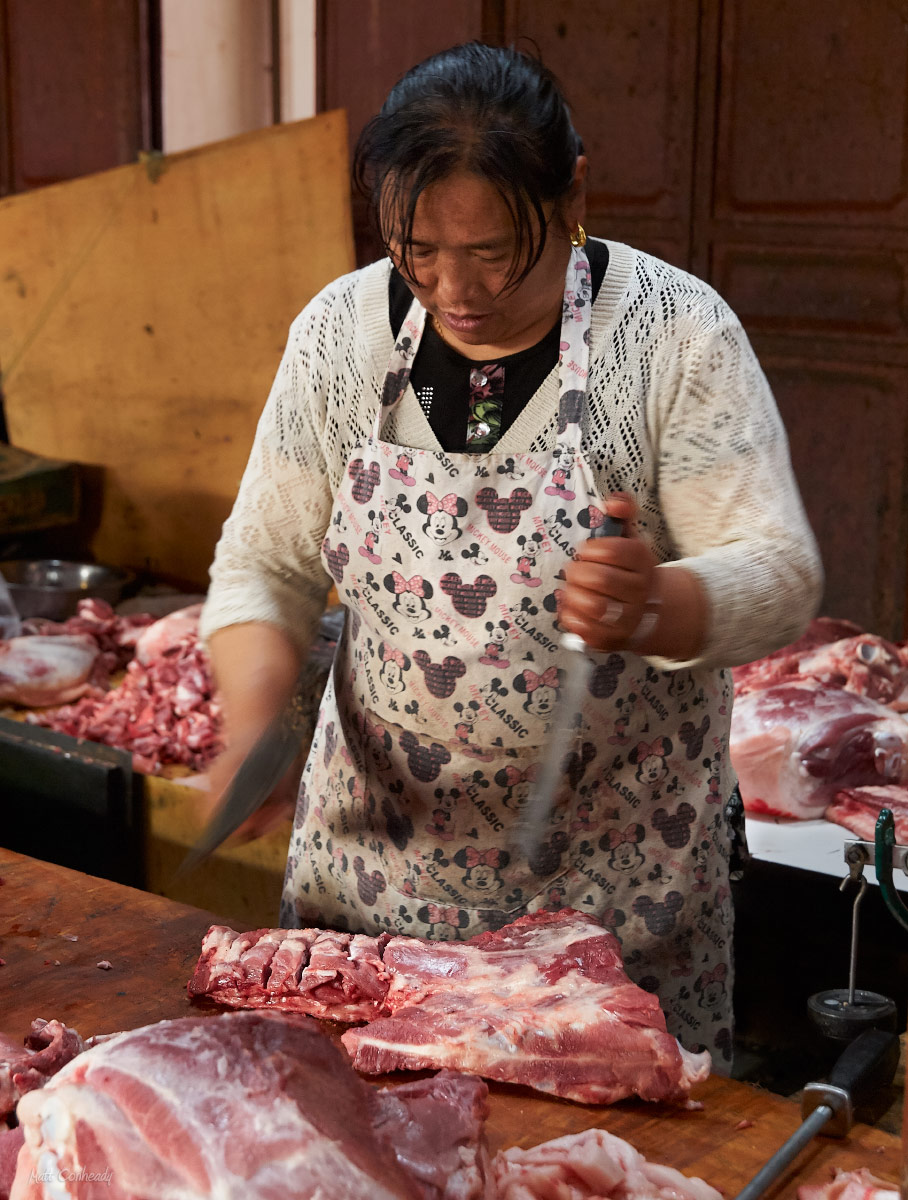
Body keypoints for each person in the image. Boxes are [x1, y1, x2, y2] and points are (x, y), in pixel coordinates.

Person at [199, 41, 822, 1066]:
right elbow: (263, 564)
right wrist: (257, 716)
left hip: (603, 923)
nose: (455, 289)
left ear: (572, 192)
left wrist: (661, 604)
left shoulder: (671, 336)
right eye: (415, 249)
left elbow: (776, 570)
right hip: (368, 895)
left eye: (493, 252)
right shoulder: (340, 336)